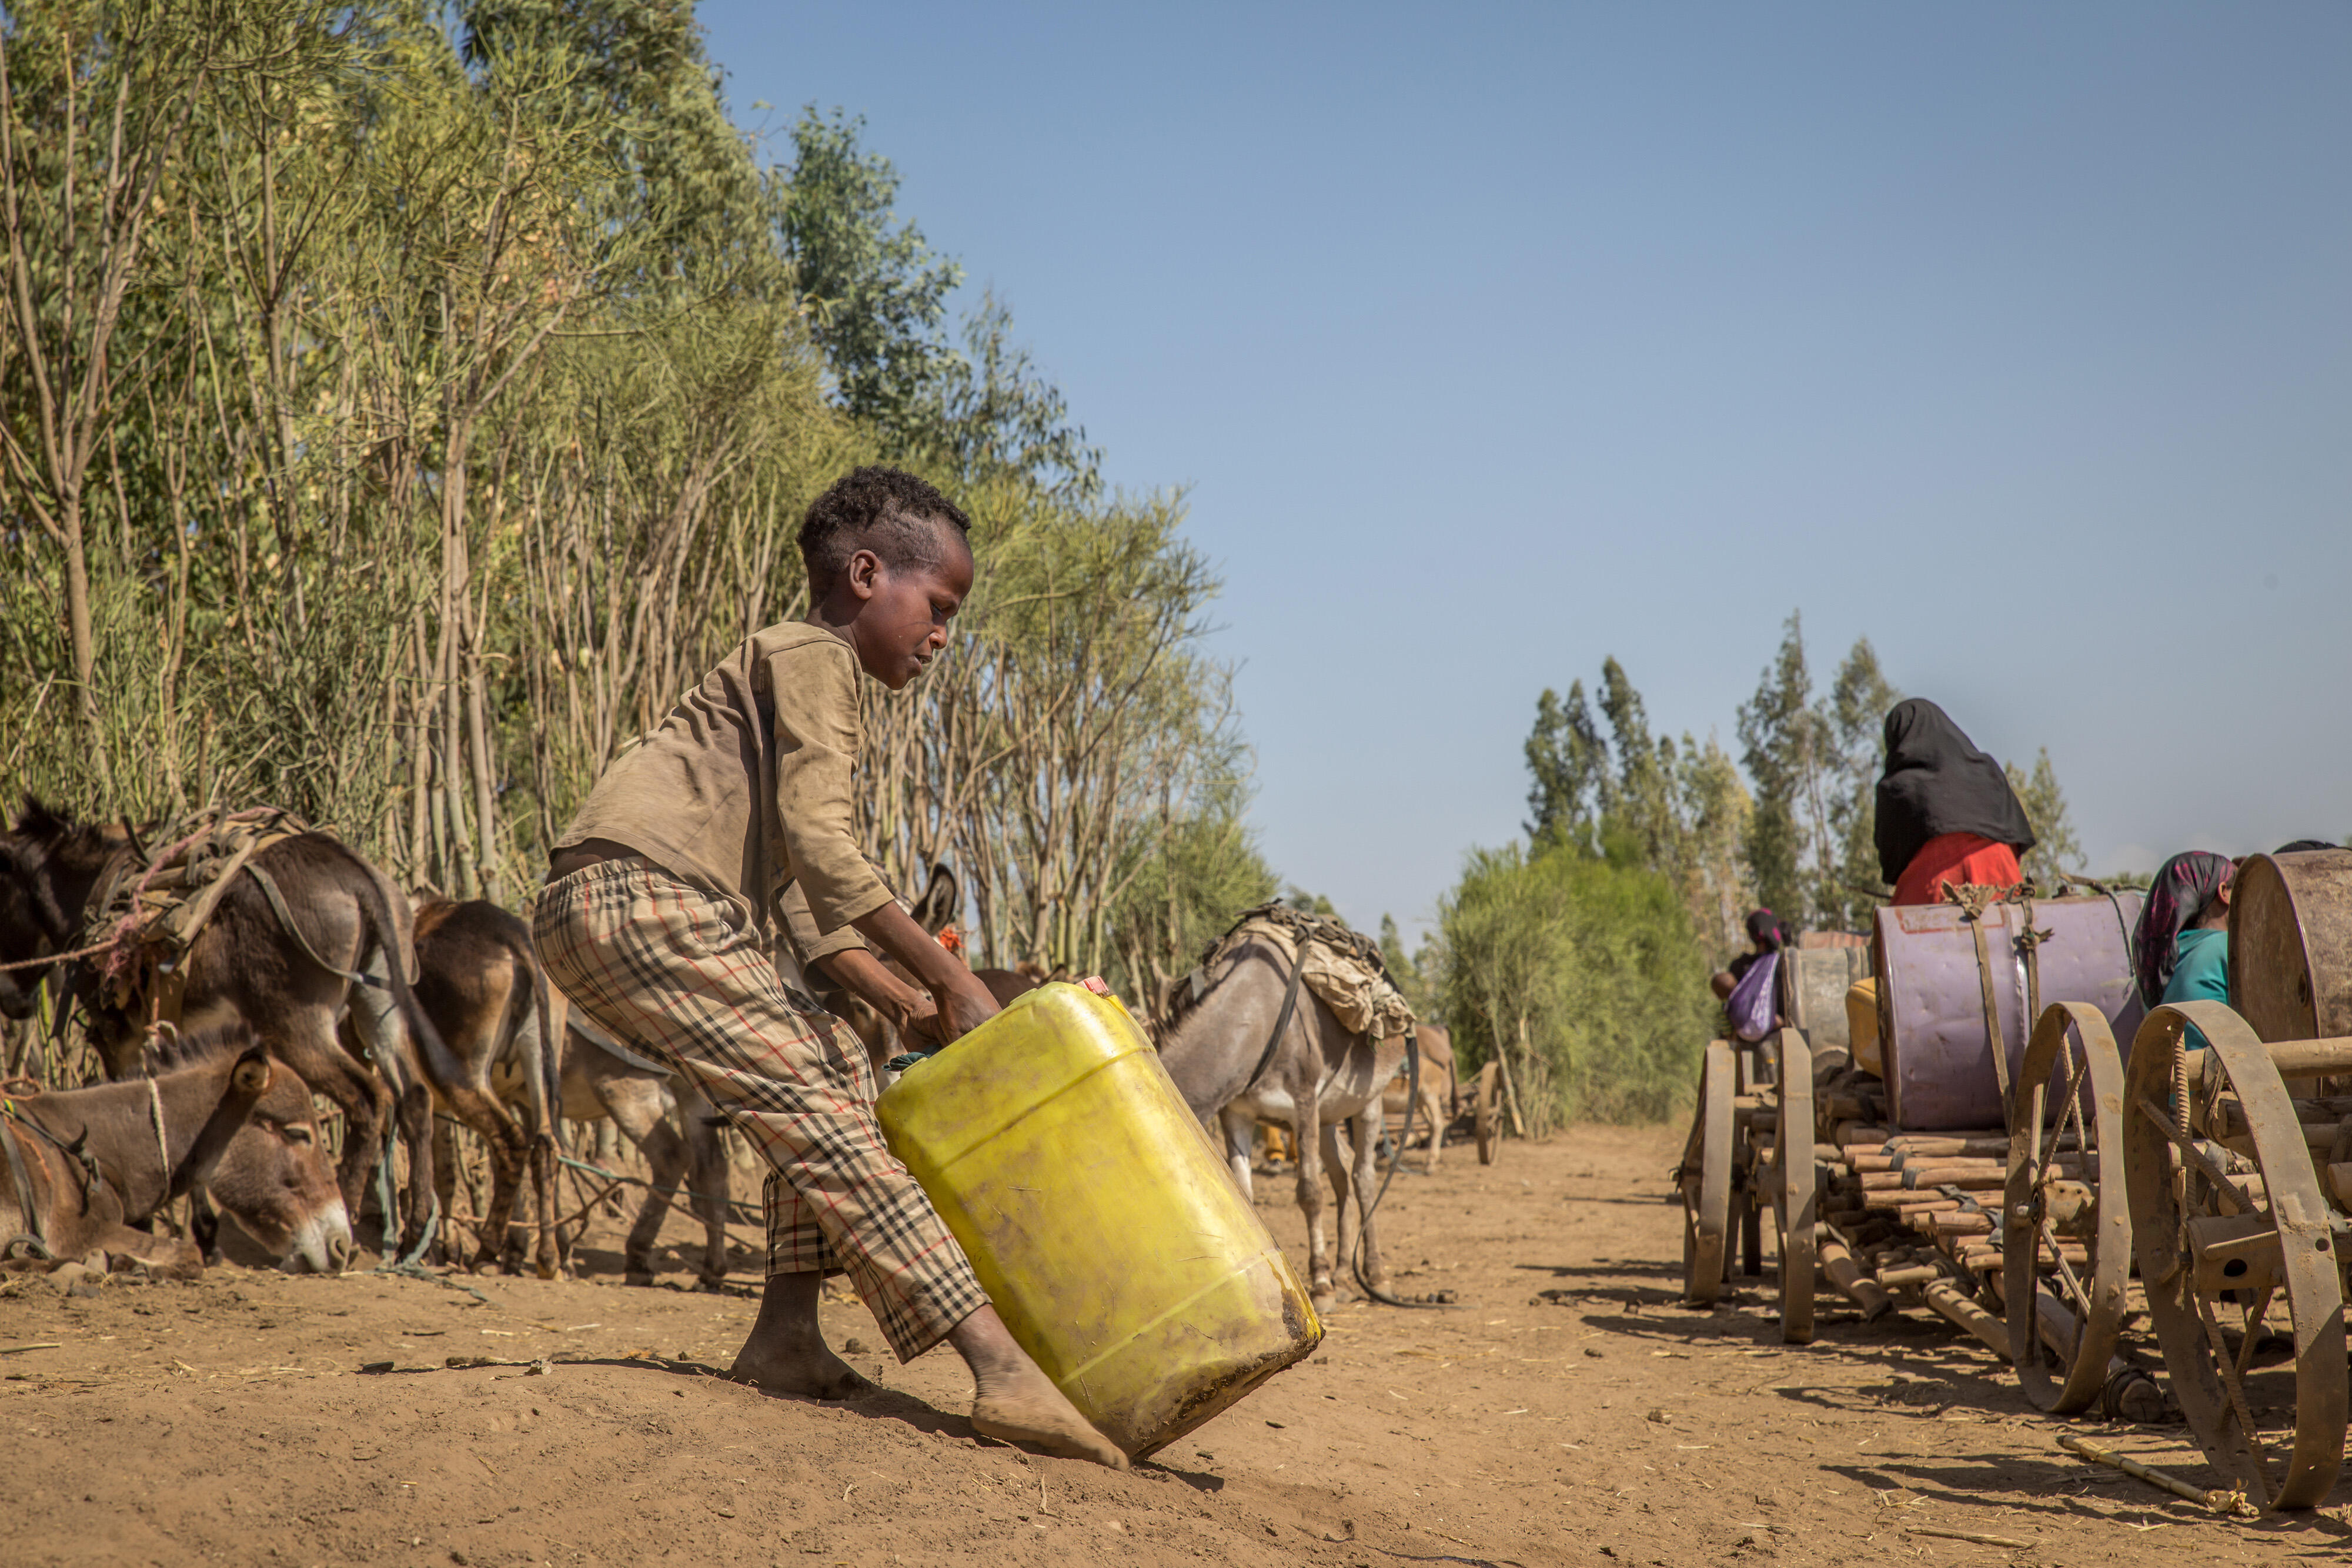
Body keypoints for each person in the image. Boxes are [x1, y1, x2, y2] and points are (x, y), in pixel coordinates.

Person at [531, 465, 1126, 1469]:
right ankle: (1001, 1368)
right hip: (643, 900)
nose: (944, 637)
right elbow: (827, 849)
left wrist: (904, 1006)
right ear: (865, 575)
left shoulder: (791, 670)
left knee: (842, 1065)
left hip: (619, 907)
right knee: (822, 1101)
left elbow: (814, 915)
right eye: (938, 608)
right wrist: (950, 982)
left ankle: (787, 1338)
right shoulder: (815, 657)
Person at [1874, 698, 2036, 905]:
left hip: (1935, 889)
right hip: (2001, 881)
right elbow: (2014, 834)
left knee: (1897, 930)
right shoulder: (1985, 767)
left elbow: (1891, 862)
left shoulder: (1896, 788)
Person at [2136, 850, 2234, 1050]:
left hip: (2176, 1077)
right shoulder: (2227, 947)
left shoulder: (2164, 961)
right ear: (2224, 893)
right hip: (2225, 1076)